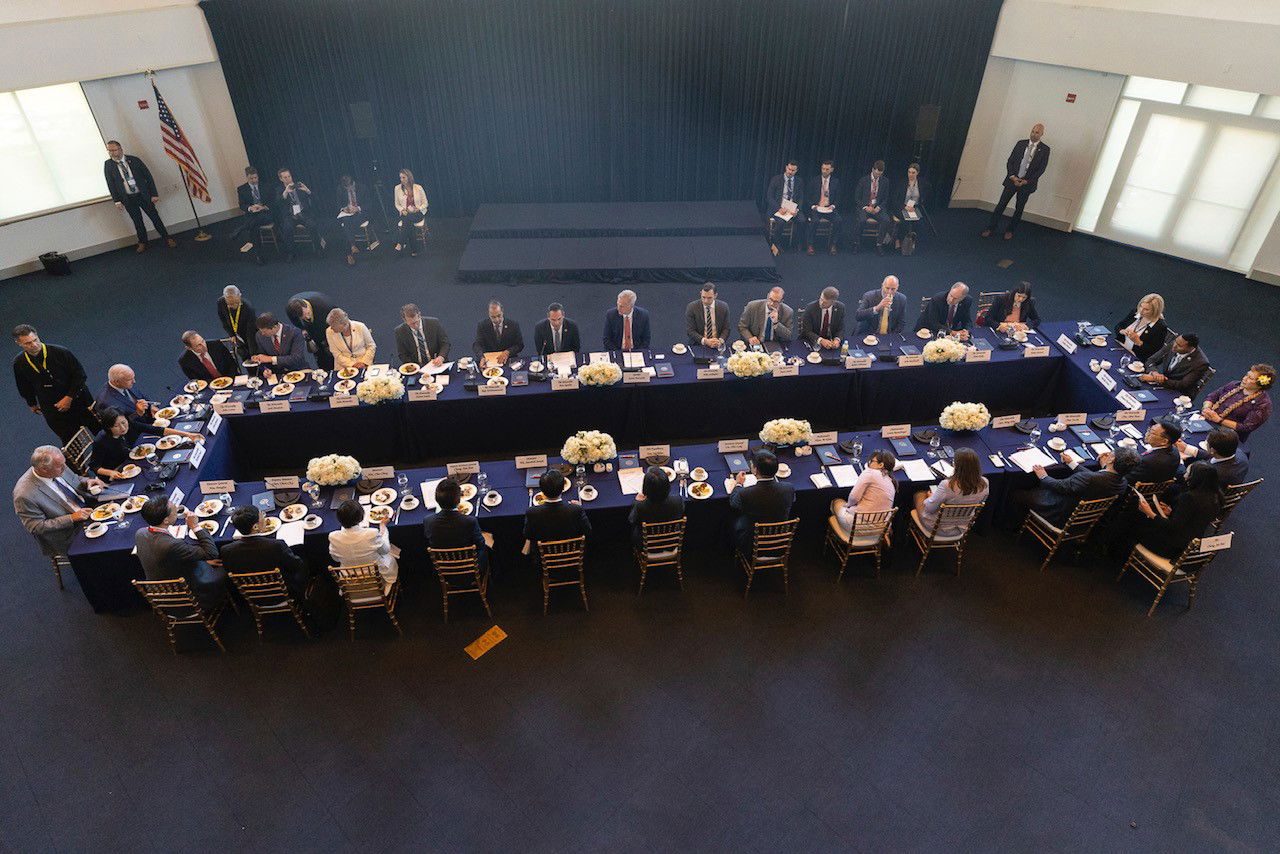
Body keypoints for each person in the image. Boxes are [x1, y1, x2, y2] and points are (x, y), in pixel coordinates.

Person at [135, 496, 227, 610]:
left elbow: (169, 558)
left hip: (159, 591)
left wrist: (200, 559)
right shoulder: (171, 545)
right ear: (166, 520)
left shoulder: (140, 533)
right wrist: (195, 526)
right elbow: (212, 553)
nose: (177, 510)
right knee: (227, 565)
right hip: (187, 596)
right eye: (174, 510)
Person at [12, 325, 98, 444]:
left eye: (35, 340)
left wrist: (69, 398)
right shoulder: (19, 362)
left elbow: (80, 376)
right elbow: (24, 385)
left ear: (37, 336)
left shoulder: (61, 352)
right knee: (70, 443)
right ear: (18, 343)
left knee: (99, 430)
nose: (34, 345)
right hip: (52, 407)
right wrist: (31, 403)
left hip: (78, 399)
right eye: (28, 343)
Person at [13, 445, 103, 559]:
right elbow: (37, 527)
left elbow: (76, 478)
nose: (65, 468)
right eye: (60, 466)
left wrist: (88, 481)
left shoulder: (59, 464)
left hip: (90, 507)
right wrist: (72, 518)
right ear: (44, 469)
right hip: (69, 532)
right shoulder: (24, 495)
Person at [1015, 446, 1136, 528]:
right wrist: (1072, 463)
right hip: (1082, 520)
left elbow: (1060, 486)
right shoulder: (1122, 482)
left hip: (1057, 511)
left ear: (1112, 459)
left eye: (1111, 454)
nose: (1108, 454)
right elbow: (1095, 475)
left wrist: (1043, 476)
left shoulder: (1088, 479)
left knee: (1016, 493)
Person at [1131, 462, 1223, 559]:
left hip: (1170, 546)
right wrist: (1173, 512)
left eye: (1188, 473)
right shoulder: (1216, 497)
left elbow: (1173, 526)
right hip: (1186, 544)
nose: (1184, 475)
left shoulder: (1190, 497)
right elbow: (1193, 517)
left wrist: (1149, 513)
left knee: (1135, 524)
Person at [220, 505, 311, 600]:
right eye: (262, 516)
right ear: (255, 526)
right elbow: (296, 566)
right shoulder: (276, 545)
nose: (264, 518)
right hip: (284, 593)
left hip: (253, 596)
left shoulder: (226, 550)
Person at [89, 407, 201, 481]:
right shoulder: (101, 441)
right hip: (117, 473)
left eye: (123, 422)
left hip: (133, 461)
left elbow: (158, 430)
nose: (123, 428)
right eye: (116, 426)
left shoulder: (131, 424)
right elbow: (94, 466)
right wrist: (110, 473)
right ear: (108, 427)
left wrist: (187, 434)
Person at [103, 140, 174, 253]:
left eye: (114, 150)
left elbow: (148, 177)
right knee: (137, 221)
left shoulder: (134, 160)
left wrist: (154, 194)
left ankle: (167, 238)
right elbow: (110, 183)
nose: (111, 153)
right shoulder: (108, 165)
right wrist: (116, 201)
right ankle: (142, 242)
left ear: (121, 149)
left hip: (143, 195)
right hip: (128, 198)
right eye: (109, 150)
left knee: (155, 217)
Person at [982, 124, 1050, 241]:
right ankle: (991, 228)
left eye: (1037, 132)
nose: (1034, 134)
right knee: (1001, 205)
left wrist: (1026, 181)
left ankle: (1010, 230)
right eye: (1032, 131)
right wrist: (1012, 176)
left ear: (1042, 134)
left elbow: (1041, 169)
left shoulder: (1045, 149)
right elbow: (1011, 161)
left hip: (1026, 184)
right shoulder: (1020, 144)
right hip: (1012, 181)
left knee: (1019, 208)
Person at [729, 450, 796, 553]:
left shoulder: (746, 493)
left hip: (751, 539)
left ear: (755, 470)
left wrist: (738, 484)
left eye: (751, 465)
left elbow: (734, 503)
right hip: (779, 536)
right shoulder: (789, 488)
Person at [913, 448, 989, 536]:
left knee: (918, 495)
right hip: (962, 527)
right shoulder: (985, 483)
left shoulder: (947, 485)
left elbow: (929, 509)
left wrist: (930, 497)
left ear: (956, 466)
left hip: (937, 527)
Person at [423, 478, 492, 575]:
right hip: (471, 569)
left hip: (444, 569)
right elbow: (480, 545)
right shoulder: (470, 521)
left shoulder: (428, 521)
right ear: (459, 499)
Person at [328, 499, 397, 593]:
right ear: (361, 517)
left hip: (351, 582)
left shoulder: (333, 537)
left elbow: (336, 559)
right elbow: (385, 550)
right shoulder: (371, 533)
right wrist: (383, 528)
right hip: (378, 579)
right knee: (391, 551)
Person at [830, 449, 896, 537]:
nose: (869, 463)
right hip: (880, 530)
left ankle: (842, 534)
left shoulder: (870, 473)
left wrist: (848, 505)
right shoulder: (891, 481)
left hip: (858, 526)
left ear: (881, 465)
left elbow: (854, 497)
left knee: (837, 502)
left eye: (872, 461)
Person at [1202, 364, 1273, 442]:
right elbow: (1212, 396)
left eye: (1250, 378)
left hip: (1227, 436)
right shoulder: (1234, 385)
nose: (1244, 379)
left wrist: (1219, 420)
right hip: (1209, 420)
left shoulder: (1263, 403)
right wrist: (1206, 408)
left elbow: (1246, 427)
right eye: (1247, 375)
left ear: (1260, 385)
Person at [523, 470, 591, 547]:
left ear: (542, 490)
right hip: (572, 548)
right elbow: (587, 530)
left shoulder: (531, 512)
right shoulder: (576, 509)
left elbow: (528, 534)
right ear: (563, 488)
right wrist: (578, 506)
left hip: (545, 552)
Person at [274, 167, 324, 261]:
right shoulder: (279, 189)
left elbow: (316, 199)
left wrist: (307, 190)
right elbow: (277, 203)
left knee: (312, 225)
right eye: (285, 177)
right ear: (281, 179)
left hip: (303, 213)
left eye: (289, 176)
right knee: (287, 228)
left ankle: (318, 248)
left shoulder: (299, 185)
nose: (288, 179)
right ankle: (291, 252)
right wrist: (285, 193)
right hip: (290, 216)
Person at [629, 466, 684, 548]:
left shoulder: (640, 506)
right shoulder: (678, 500)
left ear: (646, 487)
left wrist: (637, 501)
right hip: (671, 542)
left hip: (647, 545)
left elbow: (632, 520)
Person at [1176, 428, 1249, 488]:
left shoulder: (1209, 472)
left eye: (1206, 443)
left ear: (1212, 450)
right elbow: (1215, 456)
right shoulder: (1240, 453)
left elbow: (1187, 480)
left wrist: (1179, 460)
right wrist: (1186, 448)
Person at [1140, 334, 1210, 394]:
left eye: (1179, 345)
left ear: (1190, 348)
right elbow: (1151, 360)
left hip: (1179, 393)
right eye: (1175, 341)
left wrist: (1156, 379)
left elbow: (1182, 385)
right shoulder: (1175, 344)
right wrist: (1154, 373)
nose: (1174, 346)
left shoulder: (1201, 363)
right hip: (1163, 383)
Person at [95, 363, 156, 430]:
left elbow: (141, 397)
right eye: (130, 379)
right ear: (117, 382)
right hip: (136, 432)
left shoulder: (126, 383)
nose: (134, 381)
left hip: (150, 420)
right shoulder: (105, 402)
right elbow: (120, 427)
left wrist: (151, 406)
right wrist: (137, 413)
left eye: (133, 378)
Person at [286, 292, 336, 371]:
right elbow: (294, 320)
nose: (307, 317)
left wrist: (329, 342)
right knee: (321, 359)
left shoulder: (325, 307)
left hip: (329, 326)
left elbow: (335, 324)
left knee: (332, 354)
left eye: (308, 313)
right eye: (303, 317)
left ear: (306, 306)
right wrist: (303, 328)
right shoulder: (291, 310)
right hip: (314, 330)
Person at [231, 166, 271, 264]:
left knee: (253, 223)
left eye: (255, 178)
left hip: (265, 213)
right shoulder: (242, 189)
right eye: (251, 178)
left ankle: (241, 229)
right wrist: (250, 208)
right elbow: (242, 205)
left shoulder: (266, 186)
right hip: (252, 214)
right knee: (254, 227)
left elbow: (272, 201)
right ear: (247, 177)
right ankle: (259, 255)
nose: (254, 180)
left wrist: (264, 207)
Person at [335, 174, 377, 266]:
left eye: (348, 186)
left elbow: (370, 204)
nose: (347, 188)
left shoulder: (362, 188)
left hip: (361, 212)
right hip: (348, 213)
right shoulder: (340, 189)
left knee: (348, 226)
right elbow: (337, 205)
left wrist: (358, 208)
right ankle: (352, 246)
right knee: (345, 221)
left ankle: (349, 250)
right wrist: (343, 209)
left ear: (351, 181)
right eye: (345, 187)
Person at [852, 160, 892, 254]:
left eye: (880, 174)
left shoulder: (885, 181)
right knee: (861, 220)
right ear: (873, 169)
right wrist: (866, 207)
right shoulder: (863, 180)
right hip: (865, 207)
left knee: (886, 220)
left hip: (877, 208)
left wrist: (878, 208)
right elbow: (857, 197)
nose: (878, 176)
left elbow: (886, 199)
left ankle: (879, 244)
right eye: (876, 173)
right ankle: (856, 243)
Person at [1113, 293, 1168, 362]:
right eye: (1141, 306)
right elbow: (1118, 326)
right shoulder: (1135, 312)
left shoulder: (1160, 327)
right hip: (1119, 347)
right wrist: (1121, 331)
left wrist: (1138, 342)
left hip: (1135, 357)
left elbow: (1154, 352)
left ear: (1155, 311)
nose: (1141, 311)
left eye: (1146, 309)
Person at [765, 159, 804, 256]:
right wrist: (779, 208)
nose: (790, 172)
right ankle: (776, 243)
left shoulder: (799, 181)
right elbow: (769, 197)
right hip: (779, 208)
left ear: (796, 171)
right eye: (789, 169)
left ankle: (797, 242)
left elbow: (801, 197)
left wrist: (797, 209)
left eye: (793, 170)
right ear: (786, 167)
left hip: (792, 208)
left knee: (802, 220)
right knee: (781, 222)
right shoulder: (776, 179)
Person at [1126, 419, 1181, 485]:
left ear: (1164, 441)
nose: (1147, 433)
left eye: (1152, 432)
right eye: (1149, 429)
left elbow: (1128, 477)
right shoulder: (1174, 450)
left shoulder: (1148, 461)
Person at [889, 163, 929, 253]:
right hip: (901, 206)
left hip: (914, 207)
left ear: (917, 173)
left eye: (913, 173)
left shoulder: (922, 183)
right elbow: (895, 199)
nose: (910, 174)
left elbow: (926, 192)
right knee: (905, 220)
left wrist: (918, 203)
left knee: (918, 221)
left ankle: (911, 241)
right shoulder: (902, 182)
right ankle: (898, 240)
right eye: (909, 172)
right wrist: (904, 206)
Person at [806, 160, 842, 255]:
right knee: (815, 221)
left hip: (829, 209)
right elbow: (808, 197)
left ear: (832, 170)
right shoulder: (814, 180)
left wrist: (833, 206)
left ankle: (833, 244)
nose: (824, 171)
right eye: (823, 169)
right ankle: (810, 245)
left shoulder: (836, 182)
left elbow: (838, 198)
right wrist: (813, 206)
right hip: (817, 208)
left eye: (827, 169)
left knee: (838, 220)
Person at [472, 300, 524, 365]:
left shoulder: (513, 325)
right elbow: (477, 345)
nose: (496, 320)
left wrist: (508, 352)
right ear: (489, 314)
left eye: (499, 315)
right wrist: (481, 357)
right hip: (489, 361)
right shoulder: (482, 325)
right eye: (493, 317)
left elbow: (519, 345)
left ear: (502, 311)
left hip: (509, 360)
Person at [217, 285, 258, 360]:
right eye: (230, 304)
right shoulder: (221, 302)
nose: (233, 306)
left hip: (250, 336)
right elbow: (223, 319)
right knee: (244, 357)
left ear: (239, 296)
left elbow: (250, 333)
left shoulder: (248, 308)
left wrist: (253, 353)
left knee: (253, 357)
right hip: (237, 336)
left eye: (235, 303)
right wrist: (231, 334)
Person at [393, 168, 427, 257]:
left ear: (409, 177)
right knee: (408, 222)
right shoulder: (397, 188)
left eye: (403, 177)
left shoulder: (418, 188)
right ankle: (414, 249)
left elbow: (425, 203)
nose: (401, 180)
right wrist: (402, 210)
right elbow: (397, 204)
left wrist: (419, 208)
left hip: (417, 213)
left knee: (407, 221)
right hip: (405, 213)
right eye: (400, 178)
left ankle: (400, 243)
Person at [685, 282, 730, 349]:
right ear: (701, 293)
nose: (705, 301)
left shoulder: (723, 307)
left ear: (715, 295)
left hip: (717, 344)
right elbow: (690, 330)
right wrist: (706, 341)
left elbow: (726, 328)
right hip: (698, 344)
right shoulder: (692, 307)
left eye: (709, 298)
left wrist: (720, 341)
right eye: (703, 297)